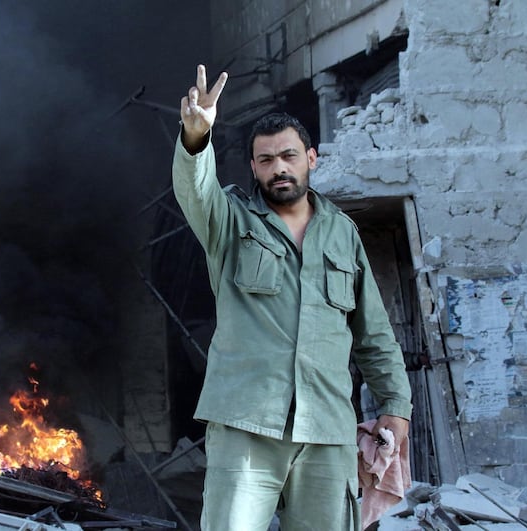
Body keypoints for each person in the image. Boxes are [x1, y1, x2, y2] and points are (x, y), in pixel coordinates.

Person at [171, 64, 412, 531]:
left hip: (326, 429)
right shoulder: (230, 222)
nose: (278, 167)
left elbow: (374, 335)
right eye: (265, 160)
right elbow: (195, 193)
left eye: (288, 156)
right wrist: (195, 139)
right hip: (247, 426)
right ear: (254, 168)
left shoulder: (343, 234)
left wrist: (395, 407)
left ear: (312, 158)